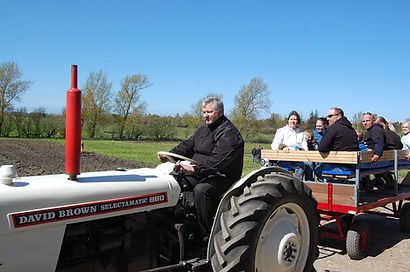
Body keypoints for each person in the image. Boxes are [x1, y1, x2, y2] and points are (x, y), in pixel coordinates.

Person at [157, 97, 244, 240]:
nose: (205, 115)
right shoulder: (203, 129)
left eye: (209, 112)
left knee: (201, 190)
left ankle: (205, 235)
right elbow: (187, 146)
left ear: (220, 112)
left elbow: (218, 162)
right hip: (202, 171)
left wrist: (194, 170)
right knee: (172, 180)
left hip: (222, 176)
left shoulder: (230, 135)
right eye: (204, 112)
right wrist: (169, 154)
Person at [314, 107, 359, 180]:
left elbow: (322, 147)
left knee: (318, 170)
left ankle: (334, 187)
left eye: (330, 116)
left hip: (340, 166)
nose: (328, 119)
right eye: (327, 116)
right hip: (354, 166)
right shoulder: (351, 129)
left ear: (338, 116)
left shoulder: (333, 128)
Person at [271, 110, 307, 179]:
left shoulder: (301, 133)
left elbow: (305, 148)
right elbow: (274, 145)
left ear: (298, 121)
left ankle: (303, 184)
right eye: (291, 119)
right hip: (284, 159)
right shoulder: (282, 131)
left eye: (295, 119)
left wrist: (301, 150)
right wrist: (283, 147)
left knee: (307, 165)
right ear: (288, 120)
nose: (293, 121)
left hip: (298, 159)